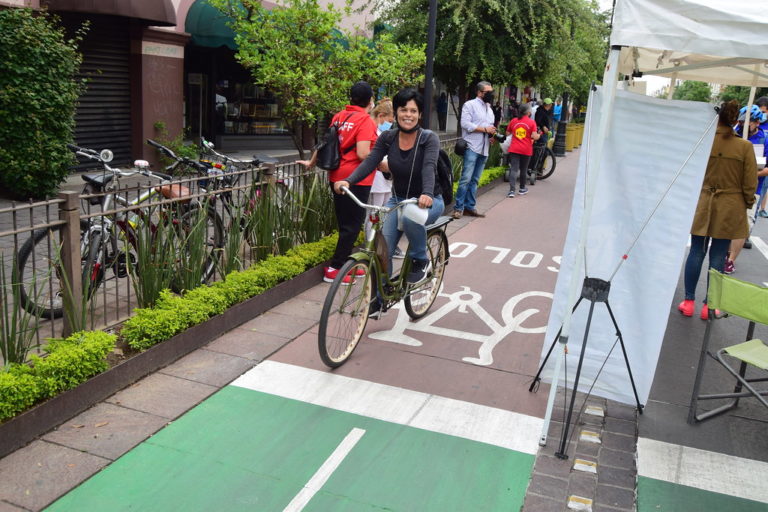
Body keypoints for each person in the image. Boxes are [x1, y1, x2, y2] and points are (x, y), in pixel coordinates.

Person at [334, 87, 445, 289]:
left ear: (420, 114)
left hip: (429, 200)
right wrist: (348, 181)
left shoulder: (429, 138)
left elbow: (429, 167)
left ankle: (421, 260)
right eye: (403, 110)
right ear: (396, 114)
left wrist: (427, 193)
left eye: (413, 111)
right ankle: (379, 297)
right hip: (397, 200)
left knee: (412, 215)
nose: (408, 115)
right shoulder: (388, 138)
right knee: (382, 252)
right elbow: (370, 162)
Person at [678, 101, 757, 320]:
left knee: (696, 251)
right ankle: (709, 306)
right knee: (719, 255)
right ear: (735, 120)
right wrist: (747, 202)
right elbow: (750, 182)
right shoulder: (744, 147)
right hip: (730, 206)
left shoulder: (704, 142)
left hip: (703, 202)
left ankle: (688, 301)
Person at [297, 81, 378, 283]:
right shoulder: (365, 121)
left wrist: (311, 162)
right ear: (370, 100)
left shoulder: (340, 116)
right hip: (355, 179)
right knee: (352, 225)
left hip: (336, 177)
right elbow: (362, 153)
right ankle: (335, 268)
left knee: (346, 224)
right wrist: (382, 161)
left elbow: (326, 142)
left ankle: (345, 265)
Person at [723, 105, 768, 273]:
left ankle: (731, 259)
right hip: (732, 186)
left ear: (757, 123)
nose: (743, 125)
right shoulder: (733, 134)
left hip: (754, 187)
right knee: (727, 222)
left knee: (745, 225)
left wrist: (751, 174)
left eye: (747, 122)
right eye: (741, 122)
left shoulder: (765, 139)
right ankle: (725, 252)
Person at [453, 81, 496, 219]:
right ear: (479, 92)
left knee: (475, 180)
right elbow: (465, 124)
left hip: (485, 148)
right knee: (466, 179)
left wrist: (491, 135)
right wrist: (484, 129)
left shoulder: (489, 109)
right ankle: (458, 208)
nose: (491, 95)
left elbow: (490, 126)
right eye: (488, 92)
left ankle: (469, 207)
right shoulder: (469, 105)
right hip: (472, 146)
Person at [365, 98, 395, 242]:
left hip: (386, 178)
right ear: (381, 115)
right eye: (389, 120)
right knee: (373, 213)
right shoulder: (371, 130)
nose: (390, 124)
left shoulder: (383, 132)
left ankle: (382, 243)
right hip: (375, 179)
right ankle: (370, 245)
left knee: (385, 212)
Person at [505, 104, 540, 198]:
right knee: (524, 169)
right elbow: (534, 136)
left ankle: (511, 191)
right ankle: (522, 188)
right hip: (526, 149)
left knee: (514, 169)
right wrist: (539, 135)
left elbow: (507, 133)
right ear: (528, 112)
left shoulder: (513, 121)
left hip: (514, 148)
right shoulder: (532, 122)